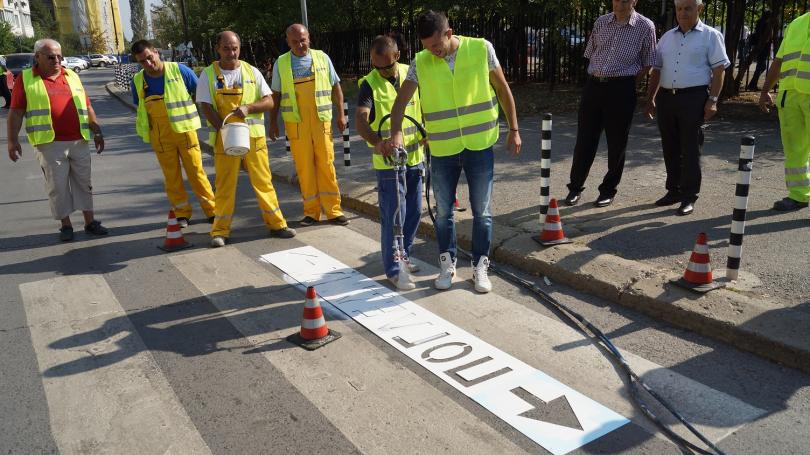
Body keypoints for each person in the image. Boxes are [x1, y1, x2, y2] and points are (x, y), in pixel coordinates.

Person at [384, 10, 522, 293]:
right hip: (443, 148)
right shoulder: (420, 61)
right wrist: (395, 131)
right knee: (444, 210)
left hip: (479, 144)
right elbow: (401, 101)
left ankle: (481, 267)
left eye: (436, 45)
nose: (432, 52)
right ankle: (448, 265)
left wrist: (514, 129)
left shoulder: (481, 48)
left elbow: (502, 87)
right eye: (427, 47)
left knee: (482, 211)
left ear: (449, 33)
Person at [197, 31, 295, 247]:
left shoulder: (251, 71)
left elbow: (269, 101)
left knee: (263, 182)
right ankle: (220, 231)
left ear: (239, 48)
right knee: (224, 186)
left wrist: (249, 108)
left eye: (234, 48)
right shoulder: (208, 74)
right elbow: (206, 106)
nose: (231, 53)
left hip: (254, 140)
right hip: (225, 141)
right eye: (226, 48)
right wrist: (224, 130)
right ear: (218, 48)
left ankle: (277, 224)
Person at [6, 39, 108, 242]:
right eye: (51, 57)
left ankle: (90, 222)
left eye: (59, 56)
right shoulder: (25, 79)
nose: (57, 60)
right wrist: (12, 140)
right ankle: (66, 225)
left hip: (79, 141)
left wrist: (97, 132)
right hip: (49, 144)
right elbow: (16, 113)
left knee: (84, 183)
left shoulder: (71, 76)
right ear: (37, 57)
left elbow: (87, 107)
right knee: (57, 186)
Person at [563, 0, 657, 208]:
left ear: (634, 1)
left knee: (617, 143)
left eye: (624, 0)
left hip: (621, 88)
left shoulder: (645, 26)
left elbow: (648, 61)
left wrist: (627, 84)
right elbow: (591, 53)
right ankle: (575, 188)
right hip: (594, 85)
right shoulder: (602, 21)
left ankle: (608, 190)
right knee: (585, 140)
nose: (619, 4)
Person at [644, 0, 729, 216]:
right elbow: (656, 70)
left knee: (690, 148)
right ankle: (673, 191)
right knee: (670, 147)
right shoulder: (666, 37)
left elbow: (719, 71)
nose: (682, 13)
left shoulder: (711, 36)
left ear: (699, 9)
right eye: (679, 8)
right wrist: (650, 98)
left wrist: (713, 99)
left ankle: (689, 196)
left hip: (693, 97)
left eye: (688, 8)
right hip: (666, 98)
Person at [355, 34, 424, 290]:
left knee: (414, 213)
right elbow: (361, 120)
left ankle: (403, 255)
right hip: (388, 164)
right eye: (375, 65)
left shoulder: (411, 74)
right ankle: (394, 269)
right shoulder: (369, 84)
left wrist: (427, 132)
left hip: (416, 159)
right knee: (394, 217)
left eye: (384, 66)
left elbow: (424, 106)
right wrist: (377, 141)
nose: (380, 71)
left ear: (397, 56)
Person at [269, 23, 348, 227]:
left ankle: (334, 211)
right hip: (296, 124)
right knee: (305, 168)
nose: (300, 44)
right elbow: (275, 95)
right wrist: (272, 122)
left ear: (309, 37)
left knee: (326, 165)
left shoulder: (322, 57)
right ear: (288, 42)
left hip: (321, 121)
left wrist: (341, 114)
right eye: (295, 41)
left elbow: (336, 87)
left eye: (303, 40)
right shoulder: (281, 63)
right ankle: (311, 212)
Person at [130, 39, 215, 228]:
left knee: (196, 172)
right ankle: (181, 213)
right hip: (160, 136)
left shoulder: (180, 71)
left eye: (150, 58)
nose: (148, 64)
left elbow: (201, 93)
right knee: (171, 176)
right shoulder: (138, 80)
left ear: (156, 52)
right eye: (142, 61)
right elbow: (141, 106)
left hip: (185, 132)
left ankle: (212, 210)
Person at [758, 11, 810, 212]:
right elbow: (779, 61)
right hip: (790, 97)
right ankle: (798, 195)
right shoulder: (796, 24)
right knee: (794, 149)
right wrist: (765, 91)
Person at [746, 10, 774, 91]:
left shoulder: (761, 23)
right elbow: (764, 37)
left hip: (761, 47)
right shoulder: (765, 24)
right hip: (763, 47)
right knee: (760, 66)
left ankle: (752, 83)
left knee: (761, 66)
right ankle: (752, 84)